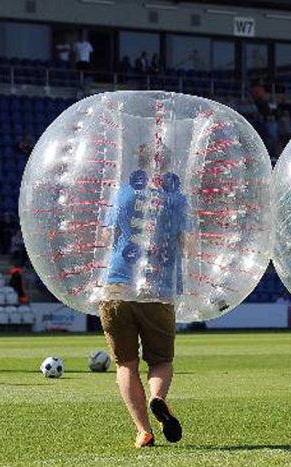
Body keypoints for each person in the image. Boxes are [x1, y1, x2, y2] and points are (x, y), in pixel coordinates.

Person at [100, 144, 191, 448]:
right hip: (158, 290)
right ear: (168, 164)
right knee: (161, 360)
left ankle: (144, 431)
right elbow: (186, 244)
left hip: (116, 286)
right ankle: (157, 397)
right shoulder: (177, 199)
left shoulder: (122, 193)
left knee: (126, 364)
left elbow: (105, 237)